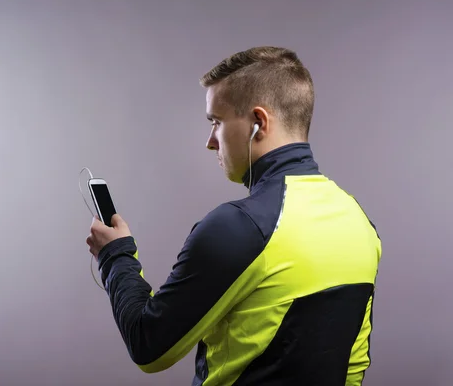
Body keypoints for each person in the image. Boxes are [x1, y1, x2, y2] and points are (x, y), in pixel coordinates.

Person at [86, 46, 382, 386]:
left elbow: (148, 346)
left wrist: (115, 254)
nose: (211, 141)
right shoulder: (358, 221)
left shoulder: (240, 227)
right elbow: (353, 365)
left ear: (259, 122)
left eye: (216, 121)